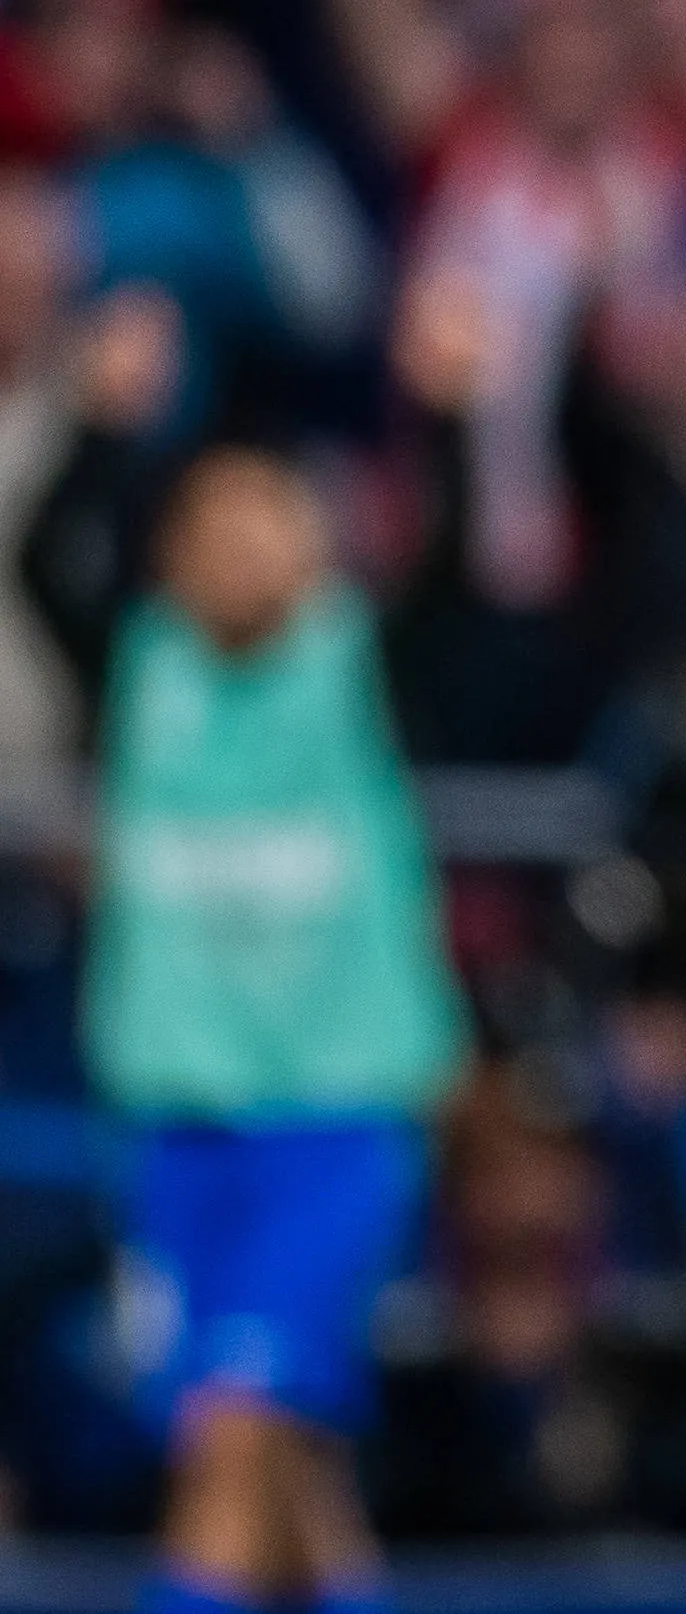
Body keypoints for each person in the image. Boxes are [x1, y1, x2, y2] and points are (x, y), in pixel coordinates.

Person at [84, 449, 468, 1614]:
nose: (241, 553)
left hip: (335, 1122)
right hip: (178, 1129)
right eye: (215, 527)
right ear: (166, 553)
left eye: (269, 523)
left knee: (235, 1428)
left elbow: (453, 572)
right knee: (295, 1467)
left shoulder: (363, 660)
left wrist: (445, 419)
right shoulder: (139, 663)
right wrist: (104, 416)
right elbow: (54, 539)